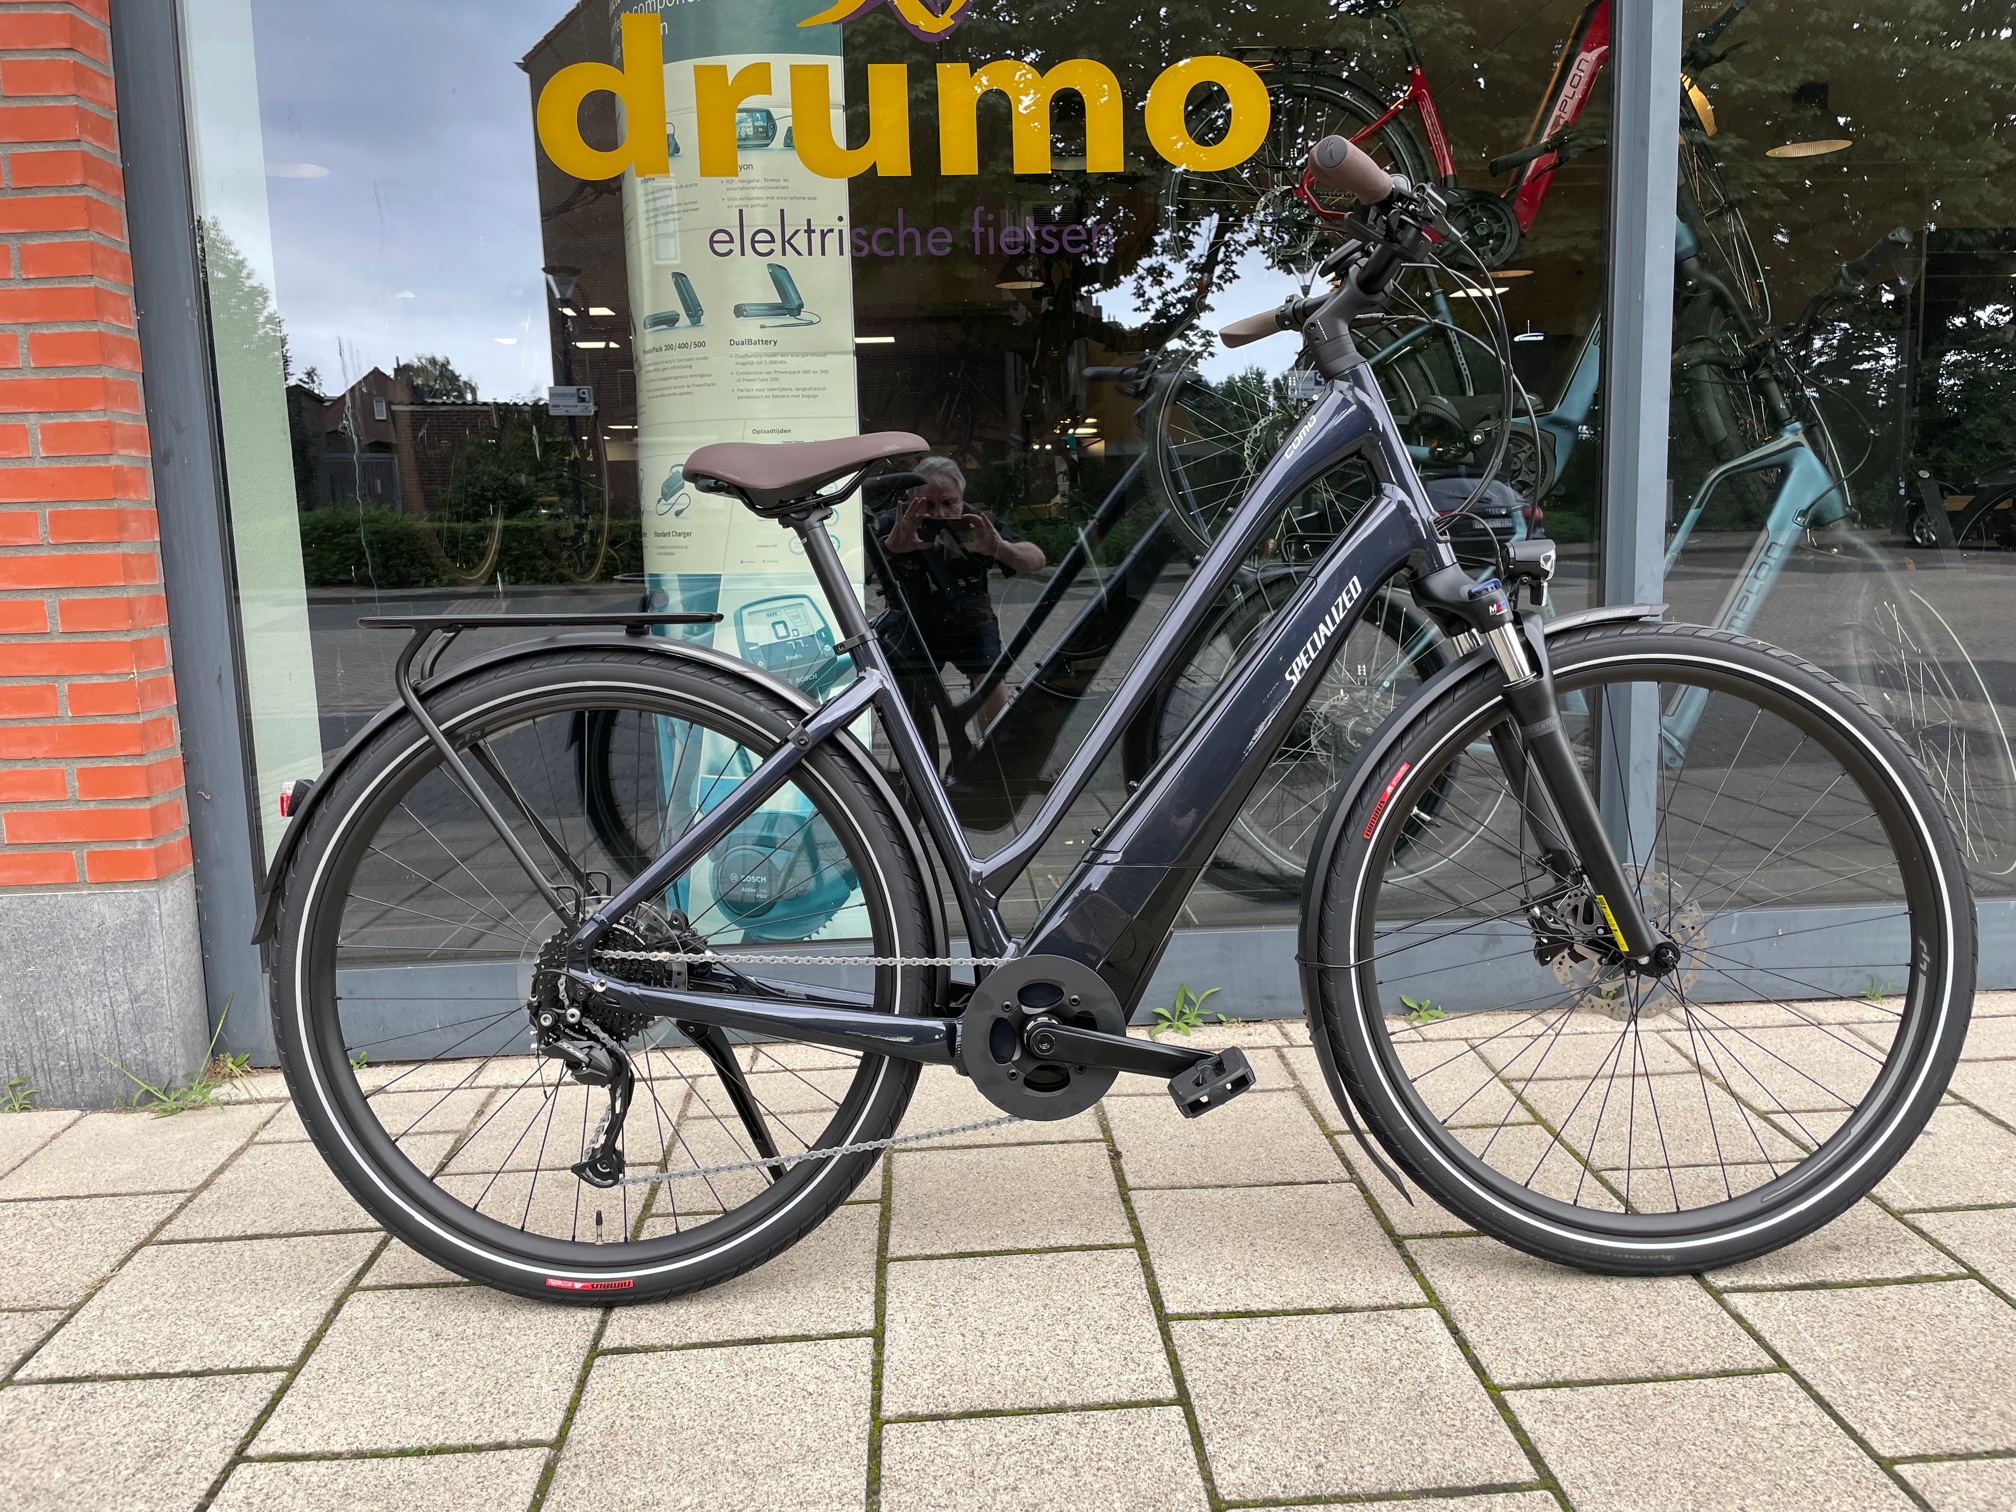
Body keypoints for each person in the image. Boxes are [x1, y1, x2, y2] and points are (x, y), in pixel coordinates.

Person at [872, 455, 1045, 745]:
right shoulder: (896, 521)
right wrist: (888, 548)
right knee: (913, 711)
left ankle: (990, 759)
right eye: (928, 504)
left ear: (962, 498)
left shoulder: (978, 522)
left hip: (970, 618)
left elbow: (1036, 560)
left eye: (949, 502)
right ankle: (921, 766)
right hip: (912, 621)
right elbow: (851, 566)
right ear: (912, 500)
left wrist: (1000, 548)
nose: (939, 513)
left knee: (991, 687)